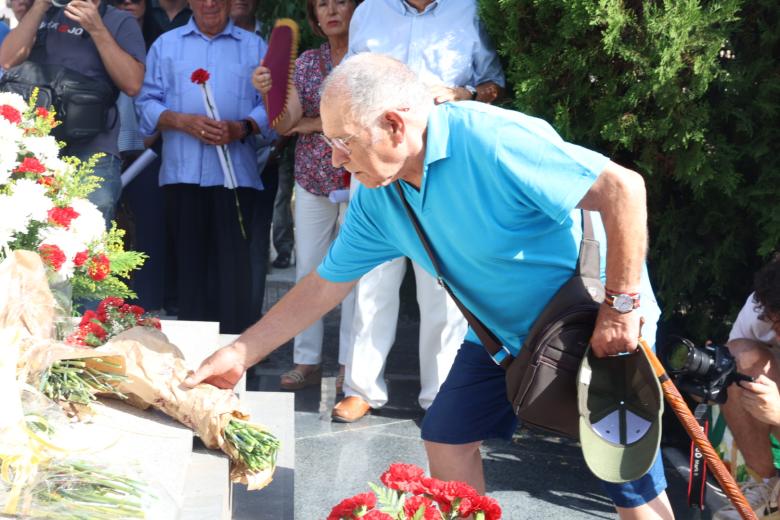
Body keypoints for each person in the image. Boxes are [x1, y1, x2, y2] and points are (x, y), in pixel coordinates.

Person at [185, 54, 673, 519]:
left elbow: (623, 189)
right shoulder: (378, 196)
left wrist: (622, 306)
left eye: (343, 141)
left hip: (595, 316)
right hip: (496, 334)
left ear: (395, 125)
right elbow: (323, 286)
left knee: (627, 478)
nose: (335, 159)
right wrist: (241, 352)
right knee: (446, 436)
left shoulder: (492, 139)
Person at [333, 0, 505, 422]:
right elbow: (347, 87)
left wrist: (461, 93)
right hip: (373, 159)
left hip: (442, 165)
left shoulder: (470, 11)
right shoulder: (369, 11)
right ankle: (361, 388)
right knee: (371, 277)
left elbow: (494, 85)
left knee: (441, 283)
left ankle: (440, 395)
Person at [134, 0, 270, 334]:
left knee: (234, 278)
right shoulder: (166, 45)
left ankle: (236, 364)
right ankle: (194, 366)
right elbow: (146, 104)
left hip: (235, 179)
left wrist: (242, 127)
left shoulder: (255, 46)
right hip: (183, 176)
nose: (210, 3)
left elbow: (274, 108)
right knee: (190, 277)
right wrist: (179, 120)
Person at [252, 0, 356, 391]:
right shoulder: (308, 62)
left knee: (356, 275)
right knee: (308, 268)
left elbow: (359, 119)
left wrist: (316, 123)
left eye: (340, 2)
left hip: (360, 175)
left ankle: (350, 363)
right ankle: (306, 358)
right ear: (314, 17)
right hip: (312, 176)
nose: (331, 11)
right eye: (322, 5)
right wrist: (270, 92)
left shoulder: (368, 56)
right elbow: (288, 122)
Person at [0, 0, 145, 226]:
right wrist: (39, 7)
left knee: (87, 238)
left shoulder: (119, 21)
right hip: (36, 147)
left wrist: (97, 28)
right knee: (30, 235)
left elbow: (133, 84)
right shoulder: (44, 13)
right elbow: (7, 60)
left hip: (93, 150)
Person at [715, 255, 780, 520]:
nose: (776, 335)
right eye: (774, 323)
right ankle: (765, 486)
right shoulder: (762, 306)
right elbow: (732, 377)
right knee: (738, 359)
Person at [229, 0, 278, 322]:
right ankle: (222, 322)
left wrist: (278, 142)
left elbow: (285, 100)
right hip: (215, 160)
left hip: (264, 157)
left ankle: (250, 323)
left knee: (256, 246)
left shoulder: (275, 42)